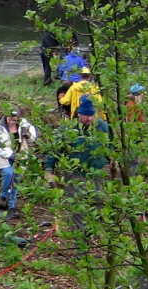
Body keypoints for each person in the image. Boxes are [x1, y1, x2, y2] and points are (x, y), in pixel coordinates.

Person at [44, 97, 112, 230]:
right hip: (73, 174)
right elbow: (54, 150)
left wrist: (108, 161)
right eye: (86, 116)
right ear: (79, 114)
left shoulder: (102, 126)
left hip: (95, 174)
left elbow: (110, 146)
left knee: (97, 204)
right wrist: (48, 170)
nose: (90, 119)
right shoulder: (67, 130)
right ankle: (80, 242)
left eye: (92, 116)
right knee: (77, 208)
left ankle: (94, 236)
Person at [0, 109, 38, 214]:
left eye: (14, 120)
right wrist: (10, 156)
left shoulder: (24, 125)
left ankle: (11, 206)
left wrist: (28, 135)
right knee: (9, 173)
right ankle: (4, 198)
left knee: (16, 179)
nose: (12, 122)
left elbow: (33, 138)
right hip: (3, 157)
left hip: (20, 156)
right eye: (10, 120)